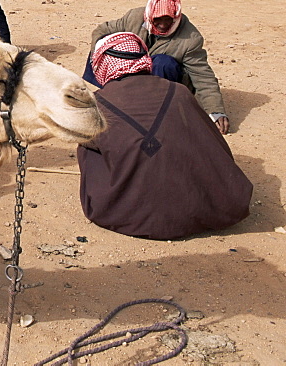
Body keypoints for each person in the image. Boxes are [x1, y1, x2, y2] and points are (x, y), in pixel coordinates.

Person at [77, 33, 252, 240]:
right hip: (201, 211)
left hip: (125, 214)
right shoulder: (179, 91)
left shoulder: (96, 103)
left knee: (86, 142)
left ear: (102, 64)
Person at [85, 0, 230, 134]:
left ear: (175, 18)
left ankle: (152, 108)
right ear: (149, 16)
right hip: (137, 70)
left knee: (162, 62)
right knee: (108, 50)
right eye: (158, 20)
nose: (163, 25)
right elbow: (102, 31)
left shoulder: (191, 39)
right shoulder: (134, 17)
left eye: (168, 20)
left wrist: (216, 111)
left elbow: (203, 76)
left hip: (167, 77)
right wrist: (100, 53)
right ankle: (115, 97)